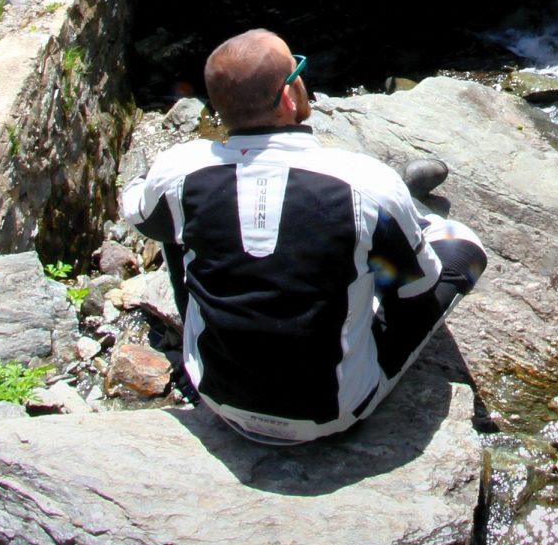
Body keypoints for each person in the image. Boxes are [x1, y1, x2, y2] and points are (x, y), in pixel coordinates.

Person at [118, 29, 487, 445]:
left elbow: (136, 209)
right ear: (288, 98)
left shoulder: (179, 171)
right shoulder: (365, 181)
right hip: (331, 413)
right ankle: (408, 218)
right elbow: (417, 288)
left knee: (166, 219)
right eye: (298, 70)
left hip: (218, 396)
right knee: (462, 250)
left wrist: (146, 182)